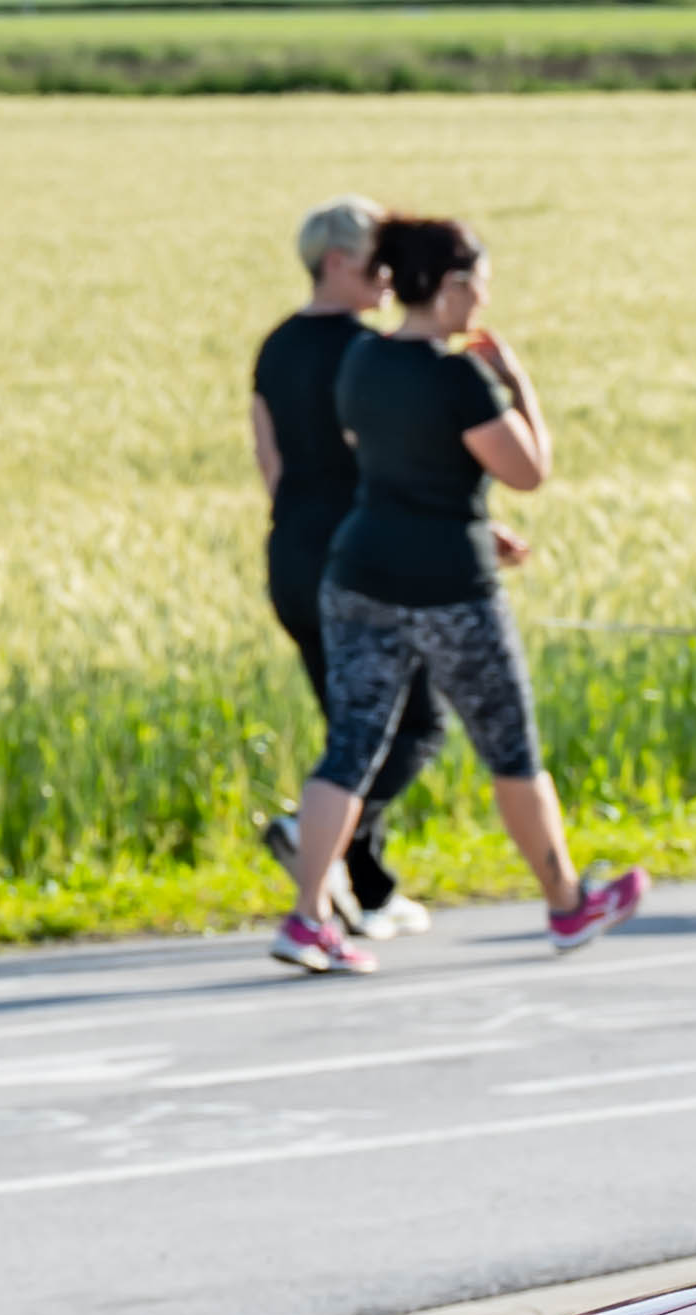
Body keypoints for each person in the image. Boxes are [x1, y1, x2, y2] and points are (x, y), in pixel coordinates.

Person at [272, 213, 645, 974]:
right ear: (449, 285)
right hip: (452, 588)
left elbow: (378, 455)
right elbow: (528, 470)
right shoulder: (458, 378)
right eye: (478, 284)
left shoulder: (363, 360)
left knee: (350, 747)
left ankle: (308, 919)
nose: (483, 299)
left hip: (359, 574)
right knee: (511, 749)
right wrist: (516, 382)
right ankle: (567, 903)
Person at [249, 197, 442, 938]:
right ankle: (312, 835)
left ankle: (369, 890)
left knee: (352, 729)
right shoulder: (369, 354)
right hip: (360, 562)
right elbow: (390, 464)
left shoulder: (274, 348)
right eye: (376, 263)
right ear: (336, 263)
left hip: (291, 557)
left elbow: (270, 463)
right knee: (416, 723)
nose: (389, 277)